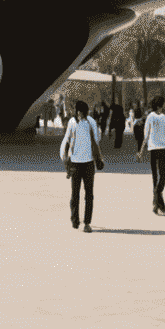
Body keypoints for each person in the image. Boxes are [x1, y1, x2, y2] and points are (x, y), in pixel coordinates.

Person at [60, 98, 103, 232]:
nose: (79, 114)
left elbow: (97, 139)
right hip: (75, 164)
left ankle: (87, 223)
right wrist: (65, 157)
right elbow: (67, 139)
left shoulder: (91, 122)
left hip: (89, 163)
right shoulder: (72, 122)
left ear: (85, 112)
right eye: (78, 112)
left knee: (89, 194)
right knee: (75, 194)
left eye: (82, 112)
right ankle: (75, 219)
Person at [137, 94, 165, 214]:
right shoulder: (150, 117)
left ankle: (156, 198)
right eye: (163, 103)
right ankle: (159, 205)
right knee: (156, 178)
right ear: (159, 104)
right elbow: (146, 135)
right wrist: (141, 151)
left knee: (163, 176)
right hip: (154, 149)